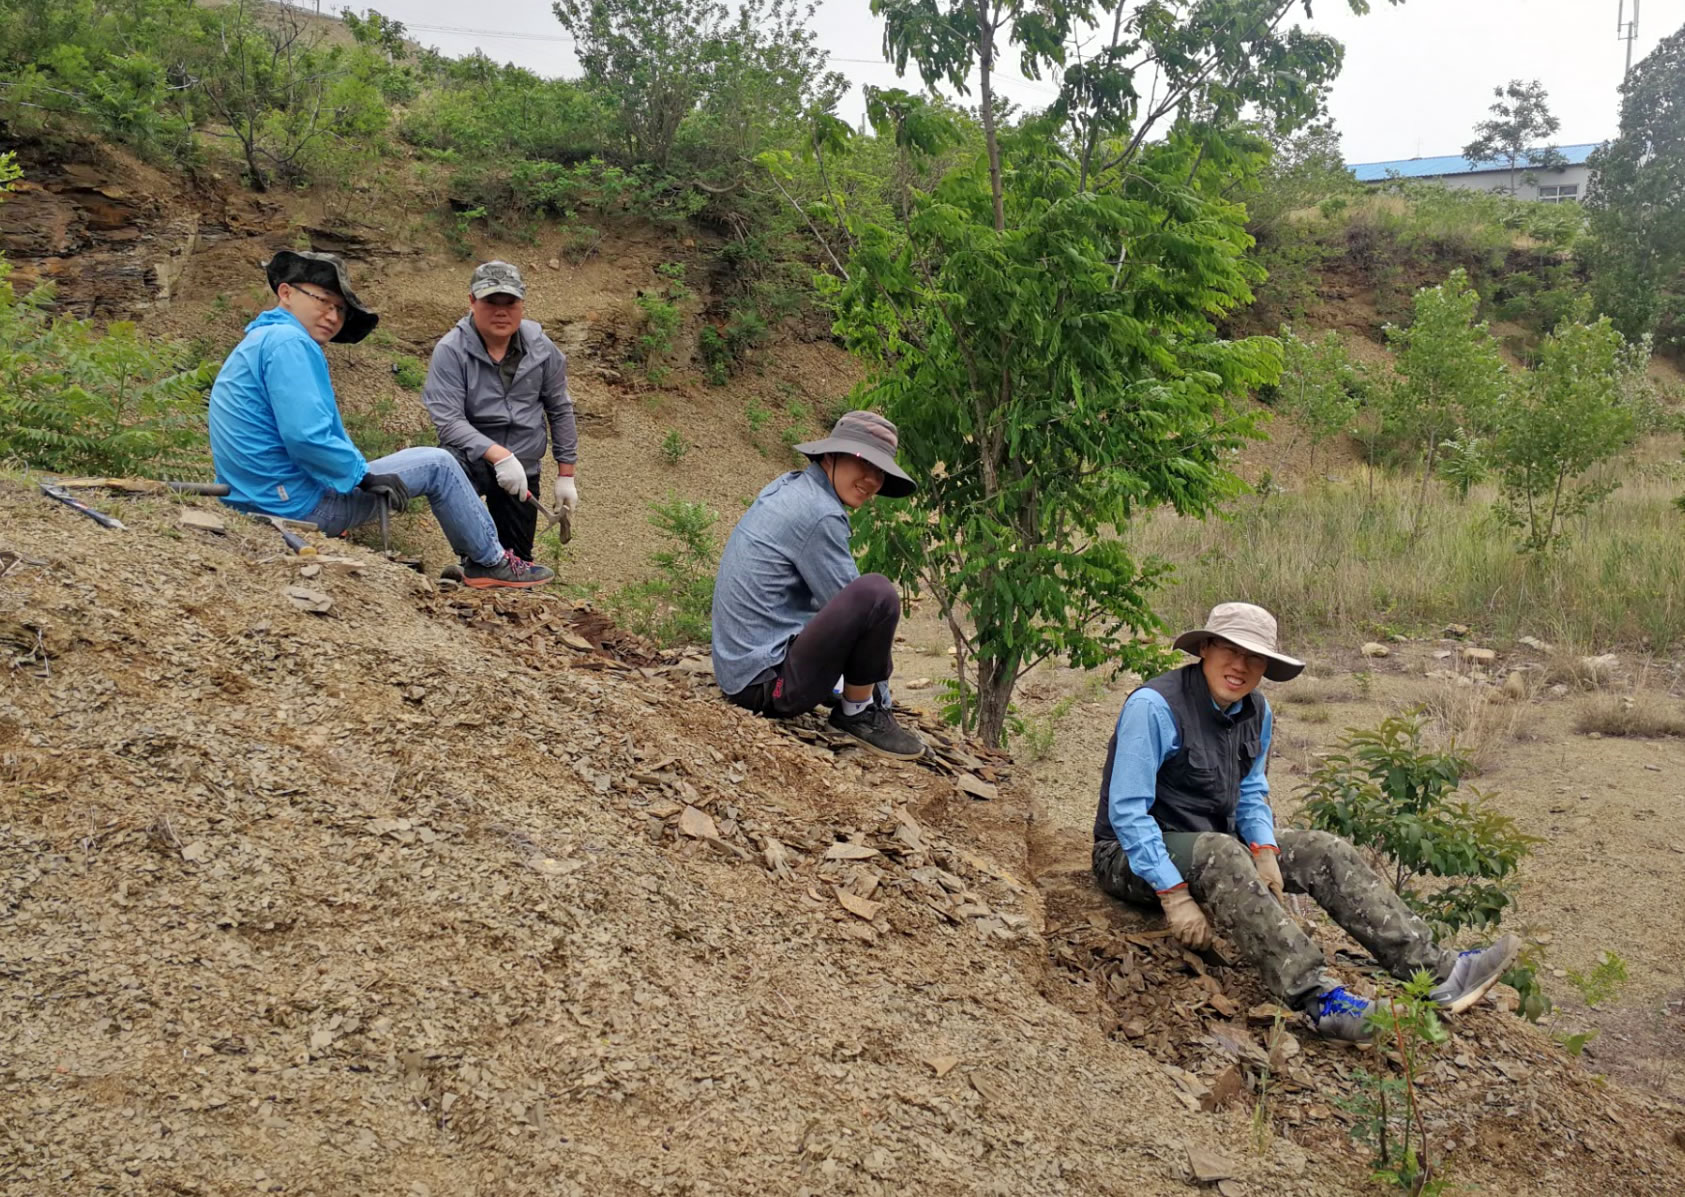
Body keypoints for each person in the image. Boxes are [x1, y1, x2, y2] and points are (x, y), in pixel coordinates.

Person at [1092, 602, 1520, 1041]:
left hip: (1215, 842)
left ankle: (1437, 971)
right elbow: (1128, 812)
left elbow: (1251, 791)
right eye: (1230, 650)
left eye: (1254, 656)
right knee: (1222, 852)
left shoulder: (1257, 712)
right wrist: (1174, 894)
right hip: (1130, 856)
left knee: (1322, 849)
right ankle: (1321, 1000)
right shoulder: (1154, 707)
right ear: (1205, 648)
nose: (1240, 666)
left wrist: (1263, 850)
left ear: (1266, 666)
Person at [207, 250, 552, 590]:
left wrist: (355, 473)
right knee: (439, 464)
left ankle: (485, 560)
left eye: (340, 309)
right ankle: (489, 562)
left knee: (430, 462)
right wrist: (362, 476)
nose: (332, 315)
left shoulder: (261, 338)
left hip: (252, 498)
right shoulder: (290, 344)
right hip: (294, 506)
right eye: (323, 300)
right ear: (286, 293)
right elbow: (305, 436)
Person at [712, 410, 925, 761]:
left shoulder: (791, 486)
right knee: (877, 595)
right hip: (763, 685)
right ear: (831, 455)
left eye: (881, 471)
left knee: (864, 598)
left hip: (739, 670)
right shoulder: (819, 513)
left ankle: (849, 696)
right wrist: (879, 699)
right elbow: (853, 607)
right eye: (864, 462)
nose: (873, 480)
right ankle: (860, 714)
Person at [420, 261, 579, 562]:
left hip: (523, 464)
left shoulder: (542, 349)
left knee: (517, 561)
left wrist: (566, 475)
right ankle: (473, 559)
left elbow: (559, 408)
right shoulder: (451, 351)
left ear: (522, 304)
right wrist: (498, 455)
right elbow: (449, 421)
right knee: (447, 467)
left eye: (510, 302)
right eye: (491, 301)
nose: (501, 311)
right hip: (472, 458)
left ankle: (503, 567)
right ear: (472, 301)